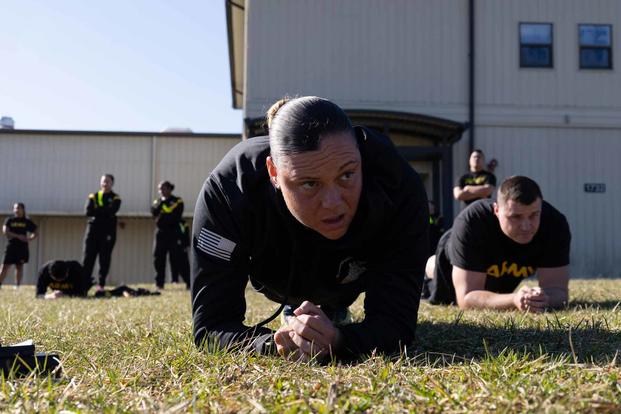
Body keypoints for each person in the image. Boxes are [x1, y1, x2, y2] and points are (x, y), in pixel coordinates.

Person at [191, 96, 429, 362]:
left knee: (335, 307)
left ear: (361, 158)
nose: (333, 203)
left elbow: (397, 326)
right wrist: (277, 343)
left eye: (347, 175)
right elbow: (210, 328)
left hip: (350, 277)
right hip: (277, 278)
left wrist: (340, 341)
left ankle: (331, 310)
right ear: (273, 173)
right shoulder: (229, 190)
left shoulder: (398, 186)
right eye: (309, 184)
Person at [424, 176, 571, 312]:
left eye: (534, 215)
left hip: (499, 275)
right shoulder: (472, 222)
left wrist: (544, 299)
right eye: (515, 217)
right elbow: (467, 298)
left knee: (495, 290)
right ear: (496, 210)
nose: (526, 226)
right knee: (435, 271)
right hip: (452, 268)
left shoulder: (554, 224)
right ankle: (427, 266)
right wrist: (513, 299)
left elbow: (558, 291)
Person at [82, 174, 121, 291]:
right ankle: (84, 284)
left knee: (104, 259)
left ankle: (101, 284)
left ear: (112, 183)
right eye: (103, 181)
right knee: (88, 258)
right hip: (92, 232)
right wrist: (104, 211)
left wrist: (98, 210)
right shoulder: (93, 196)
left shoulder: (116, 198)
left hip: (108, 232)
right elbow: (88, 212)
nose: (105, 184)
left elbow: (112, 210)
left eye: (108, 182)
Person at [151, 181, 188, 289]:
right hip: (160, 233)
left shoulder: (177, 201)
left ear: (169, 189)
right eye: (159, 189)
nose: (161, 191)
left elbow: (176, 216)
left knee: (178, 258)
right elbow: (153, 213)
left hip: (174, 233)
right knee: (158, 258)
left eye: (163, 188)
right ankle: (159, 283)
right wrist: (163, 215)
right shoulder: (157, 202)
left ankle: (188, 281)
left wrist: (163, 217)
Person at [0, 203, 38, 288]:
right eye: (15, 208)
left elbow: (36, 231)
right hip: (11, 246)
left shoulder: (26, 221)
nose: (16, 210)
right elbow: (5, 231)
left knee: (19, 266)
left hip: (22, 247)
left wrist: (30, 238)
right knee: (5, 266)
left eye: (18, 208)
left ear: (23, 209)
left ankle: (17, 286)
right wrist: (18, 236)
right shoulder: (9, 220)